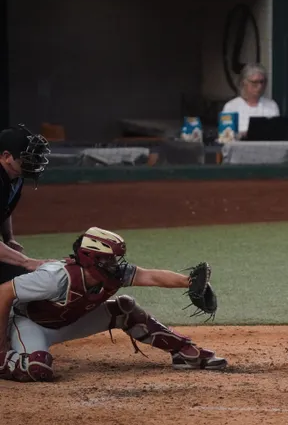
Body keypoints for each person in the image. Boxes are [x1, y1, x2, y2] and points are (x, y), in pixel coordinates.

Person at [0, 227, 226, 382]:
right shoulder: (55, 277)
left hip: (67, 323)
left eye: (114, 258)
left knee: (125, 308)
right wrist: (1, 343)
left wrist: (187, 282)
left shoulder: (114, 274)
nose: (114, 264)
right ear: (90, 258)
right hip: (29, 324)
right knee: (37, 369)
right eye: (107, 258)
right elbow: (4, 292)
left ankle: (184, 353)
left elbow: (150, 277)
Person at [0, 124, 53, 285]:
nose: (34, 162)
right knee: (24, 276)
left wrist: (8, 238)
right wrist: (27, 261)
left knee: (25, 278)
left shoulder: (15, 177)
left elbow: (4, 209)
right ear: (6, 156)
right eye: (27, 157)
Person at [221, 63, 280, 138]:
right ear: (244, 83)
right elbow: (225, 137)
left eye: (262, 82)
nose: (259, 86)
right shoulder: (231, 107)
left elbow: (276, 134)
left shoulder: (271, 106)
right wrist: (241, 135)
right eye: (255, 82)